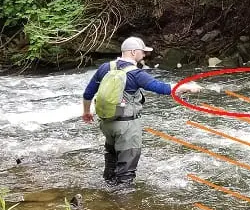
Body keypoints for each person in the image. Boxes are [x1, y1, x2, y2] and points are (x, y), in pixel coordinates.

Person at [82, 36, 199, 188]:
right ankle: (124, 208)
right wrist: (187, 87)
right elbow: (163, 88)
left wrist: (86, 112)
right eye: (142, 52)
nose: (144, 55)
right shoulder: (136, 73)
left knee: (111, 166)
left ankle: (107, 200)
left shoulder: (104, 68)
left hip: (107, 124)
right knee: (126, 175)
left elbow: (88, 93)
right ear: (132, 52)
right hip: (127, 128)